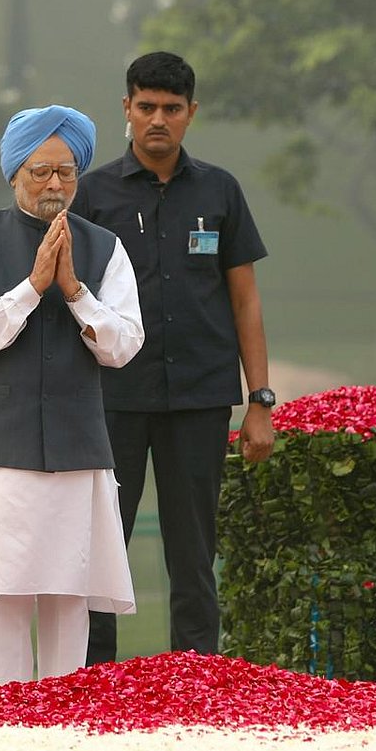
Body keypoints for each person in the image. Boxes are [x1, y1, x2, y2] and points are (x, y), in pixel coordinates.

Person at [0, 106, 144, 687]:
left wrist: (73, 291)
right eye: (41, 171)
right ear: (14, 173)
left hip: (76, 449)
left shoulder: (105, 248)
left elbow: (123, 345)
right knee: (3, 595)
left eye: (66, 172)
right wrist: (30, 288)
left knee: (69, 597)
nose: (54, 184)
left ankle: (64, 722)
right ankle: (3, 720)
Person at [71, 51, 275, 660]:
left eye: (172, 109)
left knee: (194, 551)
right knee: (103, 548)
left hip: (200, 398)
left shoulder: (220, 190)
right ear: (127, 109)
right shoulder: (93, 195)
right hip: (113, 400)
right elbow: (70, 298)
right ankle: (92, 683)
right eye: (146, 107)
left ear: (191, 113)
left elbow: (245, 301)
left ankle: (197, 679)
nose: (158, 120)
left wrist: (260, 400)